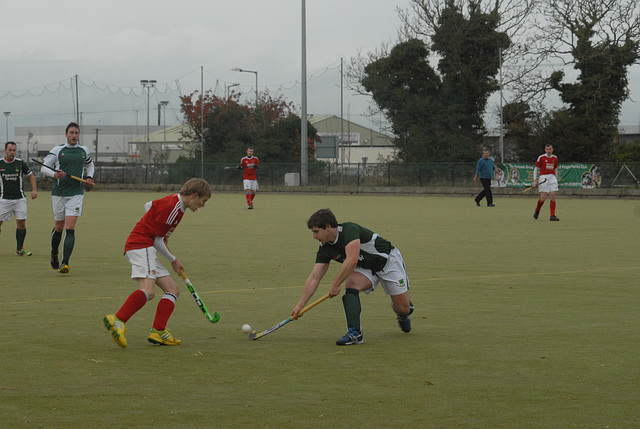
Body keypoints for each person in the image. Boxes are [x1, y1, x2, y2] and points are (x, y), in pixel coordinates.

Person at [103, 178, 212, 348]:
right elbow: (157, 240)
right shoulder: (173, 208)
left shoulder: (175, 202)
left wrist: (156, 225)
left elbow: (149, 205)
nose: (203, 205)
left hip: (145, 247)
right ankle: (117, 320)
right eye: (203, 201)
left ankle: (158, 331)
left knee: (173, 290)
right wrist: (173, 260)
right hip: (141, 245)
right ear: (195, 196)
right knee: (148, 291)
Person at [291, 209, 414, 346]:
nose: (314, 236)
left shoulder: (349, 230)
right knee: (351, 284)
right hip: (365, 267)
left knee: (403, 308)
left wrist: (336, 284)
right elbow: (314, 277)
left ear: (328, 227)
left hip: (387, 262)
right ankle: (355, 333)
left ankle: (404, 311)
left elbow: (352, 260)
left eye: (316, 231)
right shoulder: (325, 248)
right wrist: (300, 305)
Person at [42, 122, 95, 273]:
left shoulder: (84, 151)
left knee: (70, 227)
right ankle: (54, 253)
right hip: (59, 193)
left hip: (76, 194)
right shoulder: (58, 150)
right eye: (71, 133)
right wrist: (55, 174)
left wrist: (89, 177)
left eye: (76, 133)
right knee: (59, 227)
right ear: (66, 135)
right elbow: (44, 167)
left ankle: (65, 263)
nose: (74, 136)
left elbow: (90, 165)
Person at [0, 142, 38, 256]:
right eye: (10, 150)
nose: (12, 152)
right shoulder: (0, 163)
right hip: (4, 199)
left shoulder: (20, 163)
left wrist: (34, 190)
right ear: (5, 150)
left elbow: (31, 176)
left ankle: (20, 249)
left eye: (14, 150)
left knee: (21, 223)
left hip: (19, 199)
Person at [532, 144, 559, 221]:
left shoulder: (555, 158)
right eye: (547, 149)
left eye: (550, 149)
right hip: (543, 177)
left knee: (553, 195)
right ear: (545, 150)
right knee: (543, 198)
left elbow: (555, 169)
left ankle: (552, 215)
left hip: (552, 177)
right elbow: (536, 169)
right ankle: (537, 210)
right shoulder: (541, 157)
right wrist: (535, 180)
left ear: (552, 150)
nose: (549, 151)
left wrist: (556, 179)